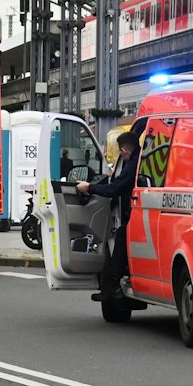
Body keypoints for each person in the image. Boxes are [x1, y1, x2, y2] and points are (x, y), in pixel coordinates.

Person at [77, 129, 139, 303]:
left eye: (120, 151)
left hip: (135, 214)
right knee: (120, 240)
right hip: (135, 213)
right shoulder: (138, 161)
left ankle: (111, 288)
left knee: (120, 242)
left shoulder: (133, 165)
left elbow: (115, 188)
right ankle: (112, 287)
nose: (121, 154)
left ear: (125, 151)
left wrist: (90, 188)